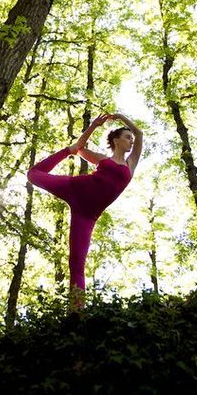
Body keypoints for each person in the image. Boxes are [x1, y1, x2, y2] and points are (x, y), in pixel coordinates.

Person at [27, 112, 143, 307]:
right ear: (116, 140)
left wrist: (120, 116)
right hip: (75, 187)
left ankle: (76, 312)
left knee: (77, 262)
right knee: (33, 174)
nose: (131, 141)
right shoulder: (102, 159)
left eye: (131, 139)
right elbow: (79, 148)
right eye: (127, 137)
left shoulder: (130, 164)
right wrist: (93, 126)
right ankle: (65, 150)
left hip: (87, 215)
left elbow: (140, 133)